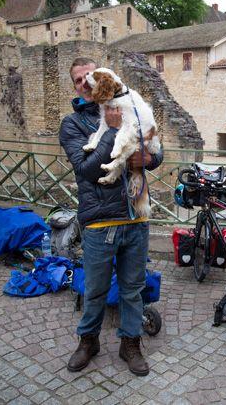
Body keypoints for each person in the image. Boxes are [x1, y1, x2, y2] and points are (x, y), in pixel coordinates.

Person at [59, 57, 163, 376]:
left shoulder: (127, 102)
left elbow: (153, 150)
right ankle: (88, 340)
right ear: (75, 86)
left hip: (136, 211)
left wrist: (152, 156)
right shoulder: (73, 124)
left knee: (133, 287)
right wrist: (112, 132)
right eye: (78, 79)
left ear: (100, 76)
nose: (85, 82)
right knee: (95, 289)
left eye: (89, 75)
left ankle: (129, 342)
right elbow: (87, 170)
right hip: (101, 218)